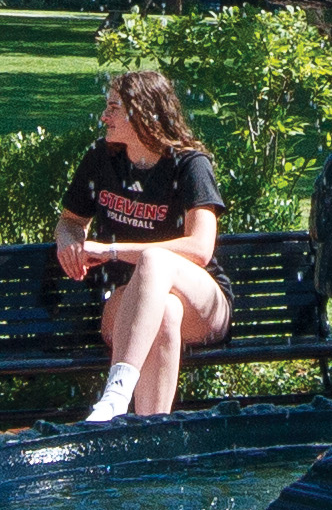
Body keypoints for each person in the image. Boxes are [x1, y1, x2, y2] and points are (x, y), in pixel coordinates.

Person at [58, 70, 229, 422]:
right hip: (124, 303)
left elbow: (200, 248)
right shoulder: (101, 159)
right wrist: (68, 241)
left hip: (202, 302)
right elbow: (71, 220)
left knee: (155, 259)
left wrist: (111, 251)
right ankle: (153, 439)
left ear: (144, 112)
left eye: (113, 108)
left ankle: (115, 396)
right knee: (164, 310)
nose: (104, 117)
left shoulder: (189, 165)